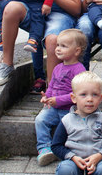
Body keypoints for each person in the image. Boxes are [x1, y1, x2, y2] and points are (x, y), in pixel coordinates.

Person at [35, 29, 87, 166]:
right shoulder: (58, 67)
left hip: (69, 109)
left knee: (71, 127)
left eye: (63, 46)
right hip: (53, 107)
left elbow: (79, 95)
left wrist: (58, 100)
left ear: (76, 51)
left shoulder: (79, 70)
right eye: (58, 45)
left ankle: (69, 150)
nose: (58, 49)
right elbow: (52, 85)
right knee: (40, 120)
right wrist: (46, 96)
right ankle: (44, 148)